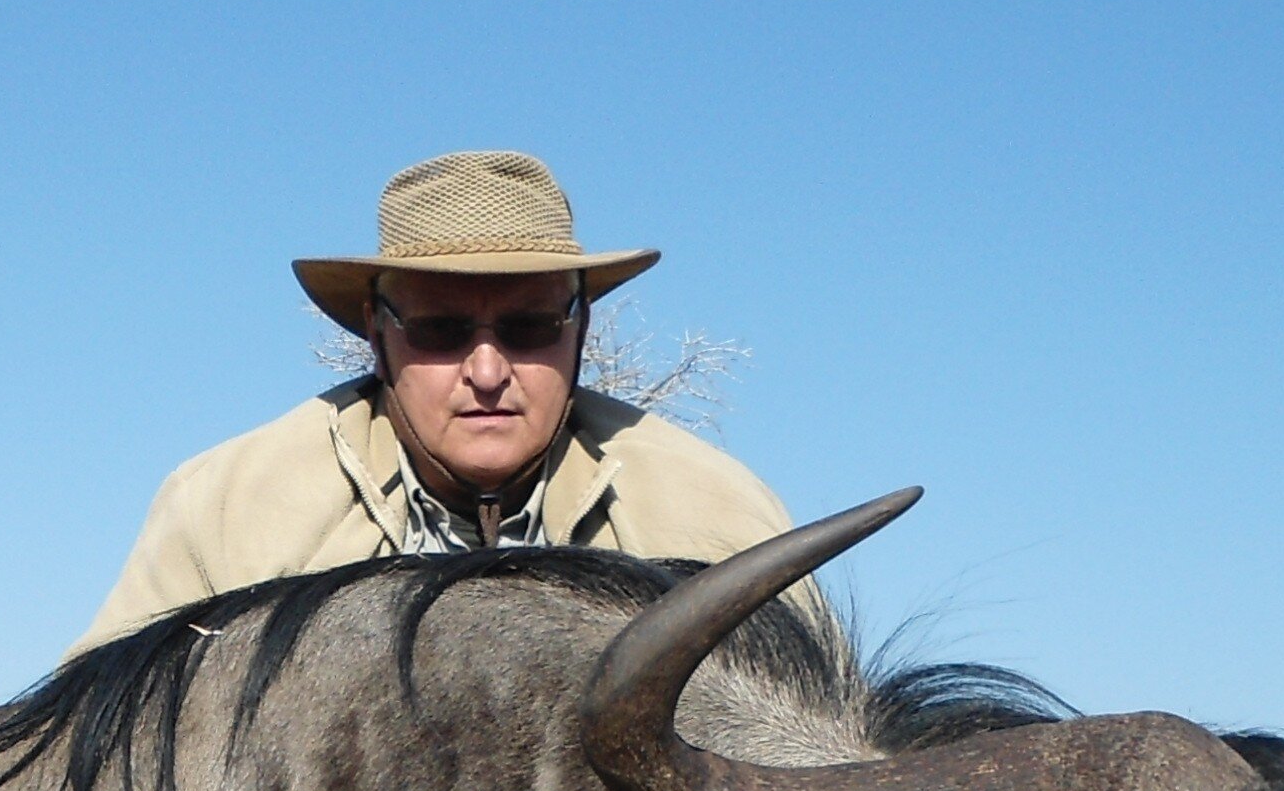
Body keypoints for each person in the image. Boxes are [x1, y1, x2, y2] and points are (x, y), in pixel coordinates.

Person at [74, 150, 801, 651]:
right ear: (376, 334)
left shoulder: (721, 519)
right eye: (440, 330)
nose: (487, 371)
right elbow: (93, 783)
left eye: (530, 326)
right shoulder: (224, 513)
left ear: (580, 329)